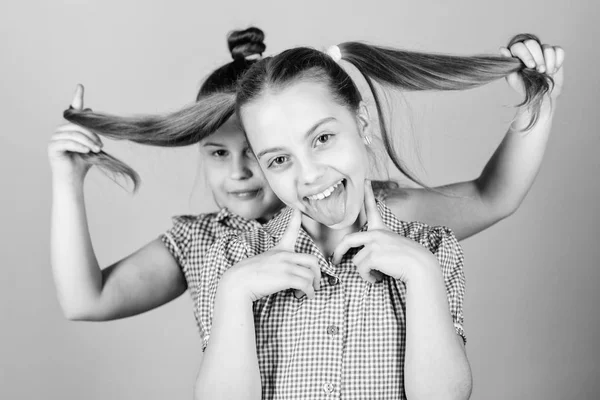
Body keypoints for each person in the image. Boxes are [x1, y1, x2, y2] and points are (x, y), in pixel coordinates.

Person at [51, 27, 562, 330]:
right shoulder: (203, 245)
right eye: (216, 153)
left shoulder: (375, 215)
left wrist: (538, 102)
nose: (239, 172)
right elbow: (85, 300)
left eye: (257, 154)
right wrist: (67, 184)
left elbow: (493, 196)